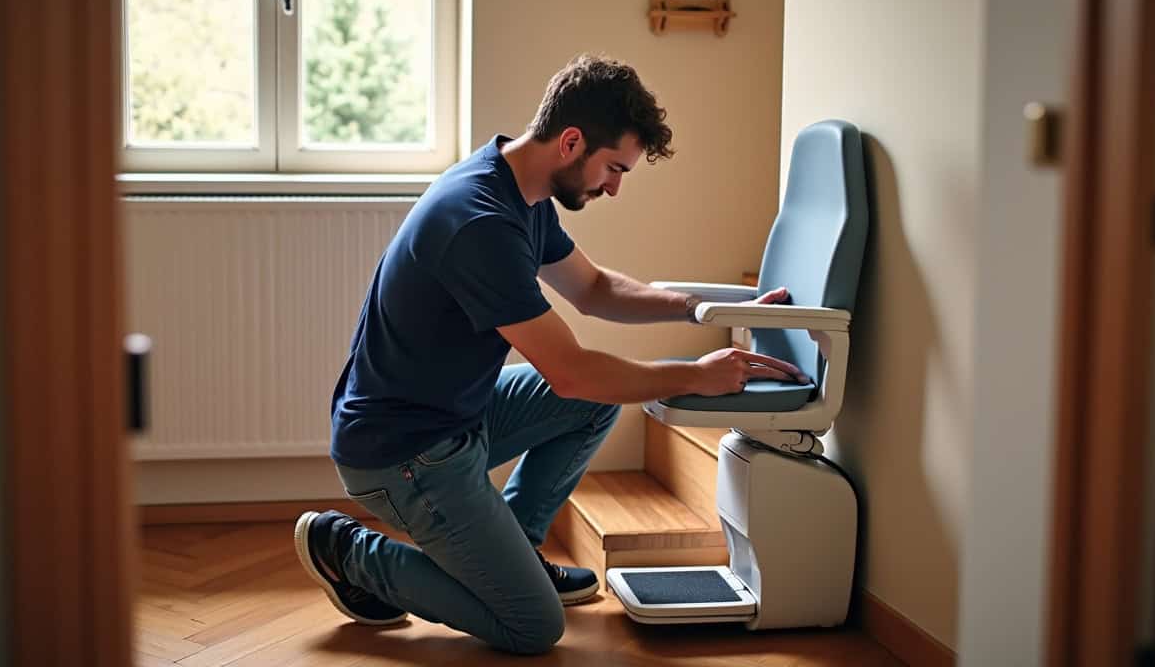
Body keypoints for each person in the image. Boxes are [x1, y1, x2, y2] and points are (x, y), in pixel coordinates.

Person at [294, 54, 806, 655]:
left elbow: (595, 289)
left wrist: (708, 307)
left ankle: (516, 549)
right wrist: (694, 374)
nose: (614, 187)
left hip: (454, 417)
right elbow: (569, 372)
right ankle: (350, 553)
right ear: (571, 142)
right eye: (613, 168)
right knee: (532, 625)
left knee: (597, 405)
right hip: (403, 456)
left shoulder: (521, 191)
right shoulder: (479, 223)